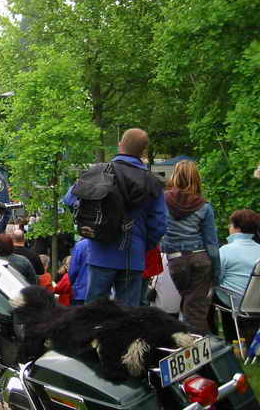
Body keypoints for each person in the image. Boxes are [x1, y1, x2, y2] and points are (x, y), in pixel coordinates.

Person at [63, 128, 167, 306]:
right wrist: (143, 245)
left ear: (120, 145)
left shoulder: (98, 172)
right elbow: (159, 224)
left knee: (95, 311)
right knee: (127, 315)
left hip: (99, 251)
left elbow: (69, 199)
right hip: (133, 255)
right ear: (143, 151)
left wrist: (93, 224)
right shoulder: (152, 181)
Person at [160, 160, 219, 334]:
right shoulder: (204, 206)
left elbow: (157, 228)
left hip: (176, 260)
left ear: (175, 176)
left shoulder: (162, 200)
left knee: (188, 303)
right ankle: (197, 345)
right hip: (200, 259)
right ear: (196, 178)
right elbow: (212, 243)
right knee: (195, 309)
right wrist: (216, 272)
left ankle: (187, 340)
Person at [214, 210, 260, 344]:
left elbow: (216, 279)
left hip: (235, 303)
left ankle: (217, 339)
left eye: (230, 224)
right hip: (257, 302)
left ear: (236, 228)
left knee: (207, 293)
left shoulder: (225, 251)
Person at [68, 238, 90, 306]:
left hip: (81, 291)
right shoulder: (106, 243)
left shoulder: (80, 245)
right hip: (101, 293)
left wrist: (71, 283)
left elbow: (73, 270)